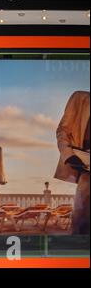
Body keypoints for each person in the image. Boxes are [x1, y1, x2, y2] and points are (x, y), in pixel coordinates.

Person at [54, 90, 90, 235]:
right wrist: (68, 155)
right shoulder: (80, 98)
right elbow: (63, 130)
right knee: (81, 223)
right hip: (87, 168)